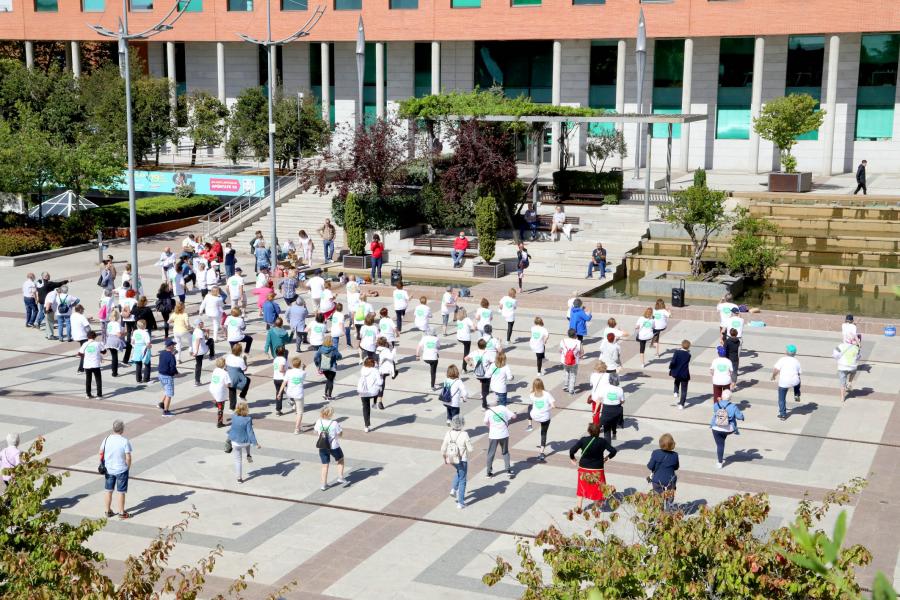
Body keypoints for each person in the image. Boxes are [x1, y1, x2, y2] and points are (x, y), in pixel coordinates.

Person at [570, 422, 617, 511]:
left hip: (584, 468)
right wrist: (607, 458)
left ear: (589, 431)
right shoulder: (602, 441)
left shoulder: (583, 440)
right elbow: (613, 451)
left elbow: (572, 450)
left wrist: (572, 459)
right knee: (598, 489)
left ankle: (579, 508)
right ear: (599, 432)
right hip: (598, 469)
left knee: (581, 488)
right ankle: (597, 508)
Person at [100, 420, 133, 519]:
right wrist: (128, 467)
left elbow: (101, 452)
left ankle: (107, 511)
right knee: (121, 492)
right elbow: (128, 457)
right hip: (121, 470)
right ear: (122, 429)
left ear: (113, 428)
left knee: (108, 490)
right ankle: (121, 512)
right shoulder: (124, 441)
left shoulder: (106, 439)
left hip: (109, 469)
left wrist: (103, 464)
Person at [441, 414, 474, 509]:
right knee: (463, 479)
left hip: (451, 459)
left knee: (459, 472)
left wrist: (445, 459)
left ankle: (453, 489)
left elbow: (443, 448)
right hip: (461, 459)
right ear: (462, 424)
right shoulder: (464, 434)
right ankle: (460, 502)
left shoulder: (448, 433)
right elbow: (470, 449)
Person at [711, 389, 744, 468]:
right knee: (723, 437)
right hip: (728, 428)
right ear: (730, 398)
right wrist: (742, 416)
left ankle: (719, 462)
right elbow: (739, 417)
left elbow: (715, 409)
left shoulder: (716, 405)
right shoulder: (733, 406)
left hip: (716, 427)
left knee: (720, 445)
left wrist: (719, 401)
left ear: (722, 396)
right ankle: (724, 439)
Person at [314, 406, 345, 490]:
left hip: (322, 446)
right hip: (334, 446)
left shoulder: (318, 421)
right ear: (330, 414)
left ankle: (324, 485)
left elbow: (316, 431)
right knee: (340, 459)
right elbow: (340, 434)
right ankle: (340, 477)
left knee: (325, 465)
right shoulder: (334, 423)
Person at [228, 402, 259, 484]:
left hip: (235, 442)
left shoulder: (234, 416)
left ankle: (239, 478)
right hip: (245, 442)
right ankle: (248, 454)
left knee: (238, 460)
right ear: (246, 410)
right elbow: (250, 432)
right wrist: (256, 443)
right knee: (248, 440)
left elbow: (233, 425)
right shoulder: (248, 419)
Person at [484, 399, 516, 478]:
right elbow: (514, 416)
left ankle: (488, 472)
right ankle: (508, 470)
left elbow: (485, 422)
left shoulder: (488, 411)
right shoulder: (502, 408)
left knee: (491, 453)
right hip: (504, 434)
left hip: (493, 435)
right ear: (497, 401)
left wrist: (490, 427)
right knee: (505, 452)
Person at [647, 434, 680, 510]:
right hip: (670, 481)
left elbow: (650, 466)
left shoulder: (656, 453)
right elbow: (676, 467)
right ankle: (668, 510)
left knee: (657, 498)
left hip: (657, 480)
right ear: (672, 444)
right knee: (670, 497)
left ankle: (659, 513)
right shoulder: (675, 455)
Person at [527, 378, 555, 460]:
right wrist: (547, 408)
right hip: (545, 417)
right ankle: (541, 453)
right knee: (543, 433)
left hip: (534, 415)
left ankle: (529, 425)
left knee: (529, 407)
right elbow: (553, 406)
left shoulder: (532, 394)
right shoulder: (547, 394)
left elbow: (532, 401)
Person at [277, 356, 307, 434]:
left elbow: (284, 382)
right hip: (298, 393)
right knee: (300, 412)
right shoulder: (303, 372)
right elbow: (302, 378)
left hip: (290, 392)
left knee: (295, 402)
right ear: (300, 364)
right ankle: (297, 429)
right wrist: (303, 368)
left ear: (292, 364)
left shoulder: (288, 372)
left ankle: (293, 403)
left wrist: (279, 393)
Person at [772, 344, 802, 420]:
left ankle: (783, 415)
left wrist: (773, 376)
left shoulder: (782, 359)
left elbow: (776, 370)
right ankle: (797, 394)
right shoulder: (797, 361)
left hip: (784, 382)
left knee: (781, 399)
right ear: (795, 353)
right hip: (794, 381)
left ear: (786, 352)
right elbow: (799, 373)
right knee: (797, 381)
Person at [36, 272, 68, 339]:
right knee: (50, 321)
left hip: (41, 301)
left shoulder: (39, 283)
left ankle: (47, 334)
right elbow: (58, 284)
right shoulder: (50, 286)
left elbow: (37, 291)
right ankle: (50, 335)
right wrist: (47, 311)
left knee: (46, 320)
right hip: (48, 307)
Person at [598, 373, 625, 442]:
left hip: (606, 410)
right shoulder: (620, 389)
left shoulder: (605, 388)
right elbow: (622, 401)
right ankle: (614, 433)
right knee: (614, 421)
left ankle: (608, 446)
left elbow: (600, 399)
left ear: (609, 380)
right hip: (616, 411)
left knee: (606, 430)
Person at [357, 357, 382, 433]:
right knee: (379, 389)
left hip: (363, 391)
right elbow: (379, 382)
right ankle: (374, 402)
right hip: (372, 392)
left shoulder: (363, 369)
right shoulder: (375, 370)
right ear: (373, 364)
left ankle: (366, 426)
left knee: (365, 407)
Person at [79, 331, 106, 398]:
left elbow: (80, 353)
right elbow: (104, 351)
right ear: (95, 336)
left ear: (87, 337)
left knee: (88, 379)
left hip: (87, 365)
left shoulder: (85, 344)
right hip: (95, 364)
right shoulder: (98, 344)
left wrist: (86, 355)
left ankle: (88, 394)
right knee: (98, 379)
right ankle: (99, 395)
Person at [315, 337, 342, 401]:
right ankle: (329, 396)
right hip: (332, 367)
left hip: (323, 367)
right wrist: (336, 358)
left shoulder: (320, 348)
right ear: (331, 342)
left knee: (328, 380)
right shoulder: (334, 349)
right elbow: (339, 356)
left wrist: (318, 365)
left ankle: (325, 394)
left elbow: (316, 358)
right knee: (330, 381)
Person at [225, 343, 251, 410]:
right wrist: (245, 360)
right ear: (240, 351)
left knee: (232, 390)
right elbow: (244, 369)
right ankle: (242, 395)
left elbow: (226, 367)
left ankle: (232, 407)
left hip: (229, 377)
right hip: (237, 377)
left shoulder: (228, 357)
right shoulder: (240, 360)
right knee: (248, 380)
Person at [668, 340, 691, 409]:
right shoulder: (688, 355)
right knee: (684, 390)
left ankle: (676, 391)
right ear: (688, 347)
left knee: (676, 380)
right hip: (684, 374)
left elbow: (673, 362)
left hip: (676, 372)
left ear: (681, 345)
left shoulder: (677, 352)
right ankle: (681, 404)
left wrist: (670, 367)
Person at [157, 339, 178, 417]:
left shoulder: (162, 353)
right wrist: (175, 373)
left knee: (166, 390)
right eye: (173, 345)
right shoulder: (171, 356)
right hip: (168, 376)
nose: (174, 346)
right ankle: (166, 411)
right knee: (169, 394)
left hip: (160, 375)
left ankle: (161, 404)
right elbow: (172, 367)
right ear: (170, 346)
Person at [559, 328, 583, 395]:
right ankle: (571, 389)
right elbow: (582, 352)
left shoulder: (563, 341)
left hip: (565, 361)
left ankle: (566, 385)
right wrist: (580, 356)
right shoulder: (578, 342)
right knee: (573, 375)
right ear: (575, 334)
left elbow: (560, 350)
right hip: (574, 362)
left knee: (566, 372)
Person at [209, 357, 231, 428]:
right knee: (221, 407)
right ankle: (219, 422)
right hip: (219, 391)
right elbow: (228, 384)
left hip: (212, 388)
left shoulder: (215, 370)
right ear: (224, 364)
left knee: (217, 398)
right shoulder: (225, 373)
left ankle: (216, 402)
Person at [191, 320, 214, 386]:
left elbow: (206, 338)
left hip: (197, 350)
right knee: (211, 340)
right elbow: (198, 341)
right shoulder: (199, 332)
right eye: (202, 323)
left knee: (198, 365)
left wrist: (207, 332)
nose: (203, 323)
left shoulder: (196, 331)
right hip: (201, 350)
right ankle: (211, 355)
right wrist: (196, 352)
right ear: (199, 324)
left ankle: (197, 381)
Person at [374, 337, 396, 407]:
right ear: (385, 343)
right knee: (381, 385)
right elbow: (391, 358)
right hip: (383, 370)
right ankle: (380, 401)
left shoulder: (376, 349)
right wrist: (393, 349)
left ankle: (377, 399)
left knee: (378, 384)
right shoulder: (386, 350)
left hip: (376, 369)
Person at [130, 320, 152, 384]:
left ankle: (138, 379)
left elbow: (132, 342)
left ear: (137, 325)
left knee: (138, 364)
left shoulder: (135, 332)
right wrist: (149, 347)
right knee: (147, 363)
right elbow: (148, 343)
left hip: (137, 348)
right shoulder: (146, 333)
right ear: (145, 326)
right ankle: (146, 378)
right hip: (144, 348)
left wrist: (135, 346)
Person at [106, 309, 123, 377]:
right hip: (115, 340)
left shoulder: (109, 323)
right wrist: (124, 333)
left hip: (109, 339)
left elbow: (107, 333)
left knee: (113, 356)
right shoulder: (117, 324)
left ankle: (113, 371)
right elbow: (118, 334)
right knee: (115, 356)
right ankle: (115, 372)